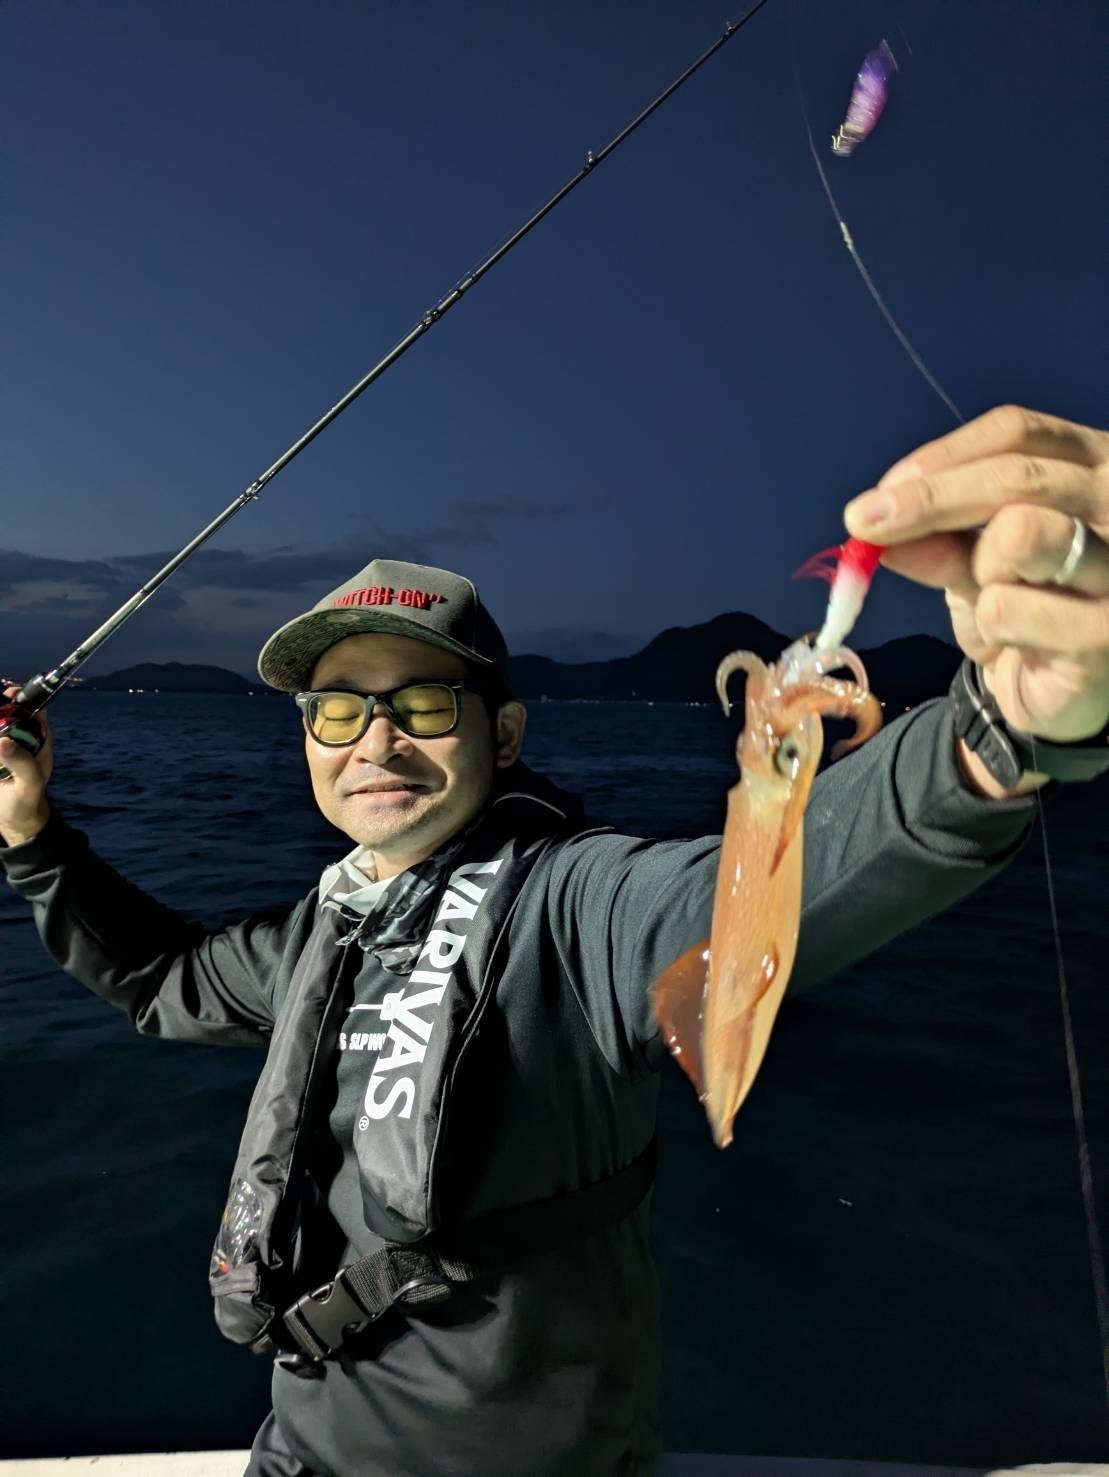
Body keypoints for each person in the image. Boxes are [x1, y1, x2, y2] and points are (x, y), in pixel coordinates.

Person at [2, 404, 1107, 1477]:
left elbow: (746, 892)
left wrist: (1005, 724)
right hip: (298, 1450)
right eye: (338, 709)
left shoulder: (576, 906)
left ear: (505, 732)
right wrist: (29, 830)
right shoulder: (322, 931)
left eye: (423, 703)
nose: (374, 740)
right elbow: (161, 978)